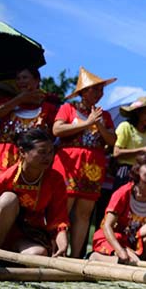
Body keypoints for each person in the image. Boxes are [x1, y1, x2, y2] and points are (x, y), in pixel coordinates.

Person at [51, 67, 117, 257]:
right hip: (68, 166)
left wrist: (99, 125)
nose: (100, 93)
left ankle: (76, 256)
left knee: (84, 213)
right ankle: (56, 254)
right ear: (83, 92)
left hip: (92, 168)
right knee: (62, 209)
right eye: (95, 89)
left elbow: (112, 141)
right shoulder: (68, 108)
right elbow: (57, 130)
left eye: (101, 89)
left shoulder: (104, 116)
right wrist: (87, 123)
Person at [0, 129, 68, 258]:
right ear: (22, 152)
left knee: (38, 254)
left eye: (51, 152)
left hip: (28, 233)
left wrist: (62, 245)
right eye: (42, 152)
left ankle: (7, 259)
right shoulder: (5, 178)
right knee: (8, 199)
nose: (48, 157)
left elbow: (58, 217)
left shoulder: (55, 180)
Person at [91, 152, 146, 265]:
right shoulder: (123, 193)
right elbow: (107, 226)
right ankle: (96, 257)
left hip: (133, 243)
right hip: (114, 240)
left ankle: (136, 258)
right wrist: (120, 251)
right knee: (128, 260)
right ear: (137, 169)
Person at [0, 67, 58, 183]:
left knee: (26, 195)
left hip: (32, 160)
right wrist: (19, 99)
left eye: (25, 77)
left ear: (37, 80)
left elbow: (56, 133)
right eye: (18, 79)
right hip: (5, 155)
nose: (21, 82)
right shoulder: (9, 104)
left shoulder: (48, 108)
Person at [113, 97, 146, 190]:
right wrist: (142, 150)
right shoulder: (126, 127)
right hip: (126, 170)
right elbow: (116, 152)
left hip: (143, 173)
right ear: (138, 112)